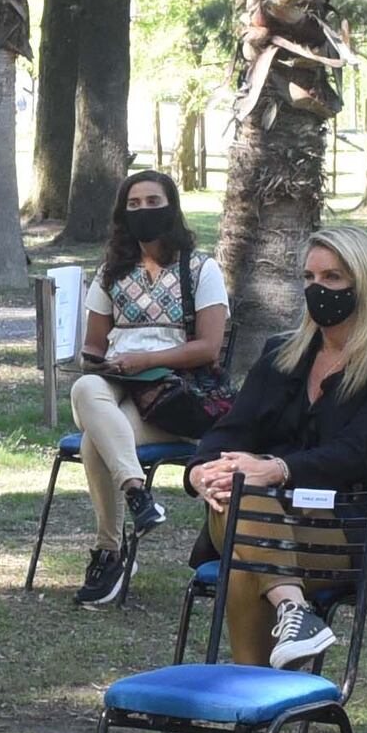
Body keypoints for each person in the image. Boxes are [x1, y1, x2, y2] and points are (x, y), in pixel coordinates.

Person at [177, 233, 367, 733]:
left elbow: (364, 451)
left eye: (333, 279)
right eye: (311, 279)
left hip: (351, 526)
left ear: (365, 286)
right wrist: (204, 470)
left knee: (245, 546)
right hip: (273, 525)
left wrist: (277, 468)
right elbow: (232, 428)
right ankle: (294, 611)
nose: (319, 290)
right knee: (236, 503)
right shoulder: (283, 354)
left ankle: (249, 731)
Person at [65, 169, 228, 609]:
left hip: (172, 396)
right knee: (85, 387)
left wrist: (147, 360)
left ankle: (110, 552)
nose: (143, 212)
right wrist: (104, 362)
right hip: (114, 384)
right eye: (133, 205)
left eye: (152, 202)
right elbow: (92, 346)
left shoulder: (200, 268)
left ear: (172, 207)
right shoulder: (110, 273)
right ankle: (137, 493)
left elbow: (209, 346)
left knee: (94, 440)